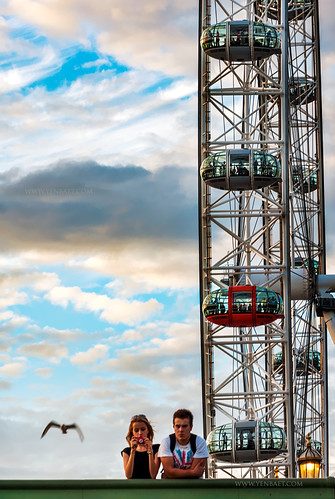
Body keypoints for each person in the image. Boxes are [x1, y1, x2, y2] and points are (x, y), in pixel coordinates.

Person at [158, 408, 209, 479]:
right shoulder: (166, 442)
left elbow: (197, 473)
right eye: (177, 426)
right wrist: (192, 472)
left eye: (184, 426)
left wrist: (174, 473)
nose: (181, 430)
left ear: (191, 427)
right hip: (172, 487)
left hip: (194, 487)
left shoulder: (200, 442)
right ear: (173, 426)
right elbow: (169, 472)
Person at [121, 414, 160, 479]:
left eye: (143, 429)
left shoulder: (157, 449)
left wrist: (150, 451)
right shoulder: (127, 452)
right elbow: (128, 475)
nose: (140, 433)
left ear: (148, 430)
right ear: (132, 433)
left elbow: (153, 475)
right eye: (136, 430)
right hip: (133, 487)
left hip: (149, 487)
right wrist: (133, 451)